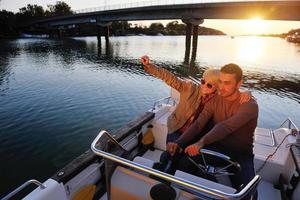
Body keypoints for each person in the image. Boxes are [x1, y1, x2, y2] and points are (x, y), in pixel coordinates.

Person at [167, 63, 258, 191]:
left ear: (239, 84)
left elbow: (225, 127)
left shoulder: (249, 105)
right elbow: (199, 123)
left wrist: (201, 142)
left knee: (249, 192)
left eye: (227, 83)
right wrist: (178, 142)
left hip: (240, 154)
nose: (221, 87)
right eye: (220, 82)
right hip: (216, 147)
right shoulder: (215, 99)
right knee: (182, 162)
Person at [140, 56, 251, 144]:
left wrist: (247, 93)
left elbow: (233, 94)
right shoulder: (189, 88)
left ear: (217, 87)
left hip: (196, 135)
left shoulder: (219, 98)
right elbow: (169, 77)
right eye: (203, 82)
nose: (203, 86)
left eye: (209, 85)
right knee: (171, 155)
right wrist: (149, 66)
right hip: (176, 128)